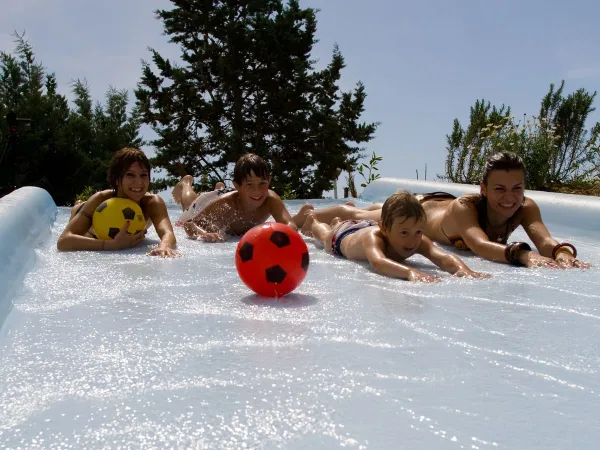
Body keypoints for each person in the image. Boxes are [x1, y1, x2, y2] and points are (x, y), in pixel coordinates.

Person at [300, 152, 589, 269]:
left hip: (438, 204)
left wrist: (561, 253)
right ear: (483, 189)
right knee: (362, 216)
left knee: (372, 209)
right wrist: (522, 254)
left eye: (517, 188)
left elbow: (545, 241)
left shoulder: (526, 207)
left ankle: (360, 207)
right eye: (499, 189)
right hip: (423, 209)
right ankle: (310, 215)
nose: (510, 197)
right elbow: (478, 245)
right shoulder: (466, 207)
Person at [302, 190, 490, 282]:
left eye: (418, 231)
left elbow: (442, 256)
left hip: (368, 225)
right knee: (325, 237)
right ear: (385, 229)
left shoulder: (416, 238)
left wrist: (463, 270)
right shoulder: (374, 238)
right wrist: (410, 272)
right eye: (404, 233)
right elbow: (378, 262)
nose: (412, 239)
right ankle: (315, 222)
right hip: (345, 235)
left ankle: (335, 220)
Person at [57, 147, 179, 258]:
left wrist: (164, 245)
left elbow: (167, 233)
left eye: (143, 175)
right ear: (116, 179)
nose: (139, 182)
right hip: (89, 227)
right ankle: (79, 204)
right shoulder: (100, 199)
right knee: (77, 209)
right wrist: (110, 245)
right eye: (130, 175)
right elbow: (63, 241)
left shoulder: (152, 202)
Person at [182, 153, 313, 242]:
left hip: (230, 192)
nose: (257, 191)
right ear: (237, 185)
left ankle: (219, 187)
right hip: (207, 201)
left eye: (262, 183)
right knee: (189, 206)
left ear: (269, 181)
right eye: (250, 184)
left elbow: (289, 225)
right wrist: (203, 233)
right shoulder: (226, 204)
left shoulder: (270, 199)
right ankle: (186, 184)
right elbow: (189, 224)